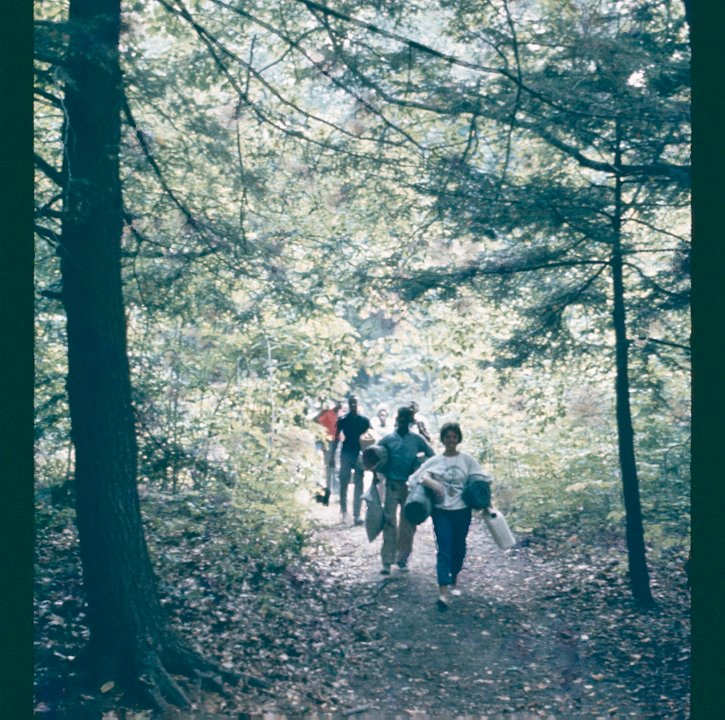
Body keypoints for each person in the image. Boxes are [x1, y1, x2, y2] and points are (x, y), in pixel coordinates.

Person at [415, 422, 492, 610]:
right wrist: (433, 484)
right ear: (442, 439)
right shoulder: (436, 460)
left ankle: (455, 578)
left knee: (459, 546)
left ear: (458, 439)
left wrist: (487, 503)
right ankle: (443, 593)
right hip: (441, 511)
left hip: (462, 510)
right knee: (443, 548)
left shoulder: (467, 460)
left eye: (454, 437)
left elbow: (483, 478)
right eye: (447, 437)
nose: (451, 440)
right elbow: (418, 476)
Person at [376, 406, 435, 575]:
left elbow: (432, 456)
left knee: (408, 524)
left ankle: (402, 559)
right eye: (400, 418)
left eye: (406, 419)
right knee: (389, 522)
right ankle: (386, 562)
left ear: (410, 421)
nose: (402, 421)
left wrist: (421, 467)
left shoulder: (417, 440)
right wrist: (377, 471)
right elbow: (375, 456)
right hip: (392, 484)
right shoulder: (388, 439)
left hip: (411, 487)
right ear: (396, 419)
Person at [330, 396, 371, 525]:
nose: (353, 405)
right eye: (351, 403)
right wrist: (332, 456)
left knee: (359, 483)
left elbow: (371, 438)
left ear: (358, 404)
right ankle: (343, 512)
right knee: (344, 482)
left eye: (355, 403)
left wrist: (370, 456)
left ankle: (357, 514)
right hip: (346, 453)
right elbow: (336, 439)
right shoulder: (343, 420)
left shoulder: (364, 421)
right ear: (348, 404)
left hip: (359, 453)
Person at [313, 399, 342, 504]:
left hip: (330, 443)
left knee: (330, 468)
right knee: (319, 467)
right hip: (320, 441)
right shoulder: (325, 414)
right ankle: (319, 493)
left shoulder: (336, 417)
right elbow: (314, 421)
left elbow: (336, 434)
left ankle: (331, 493)